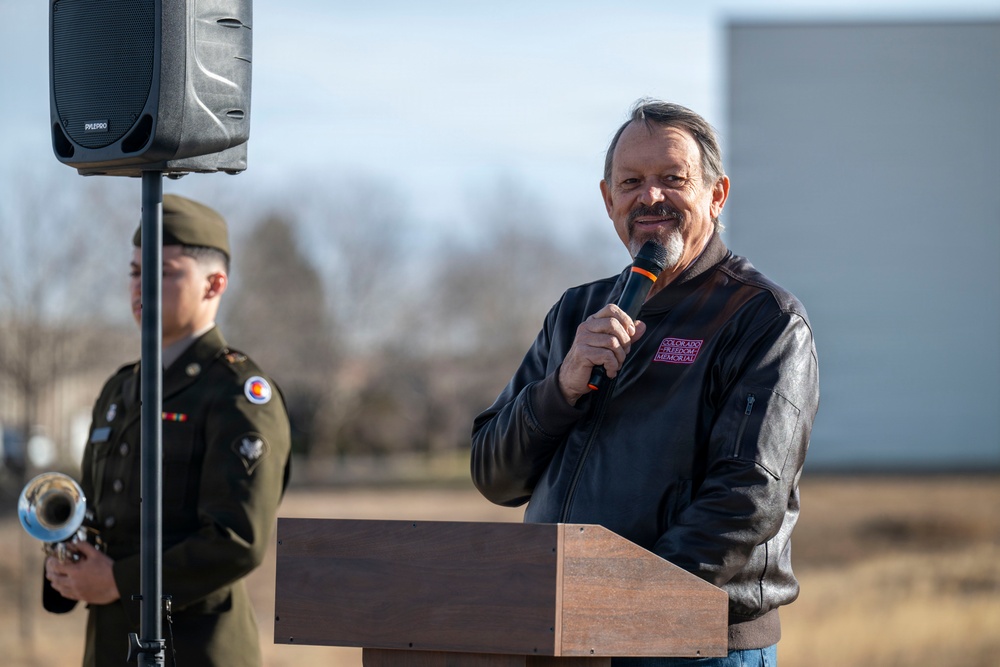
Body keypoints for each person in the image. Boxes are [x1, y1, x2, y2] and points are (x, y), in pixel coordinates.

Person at [471, 100, 819, 666]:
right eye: (631, 181)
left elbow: (748, 496)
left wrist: (622, 608)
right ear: (608, 200)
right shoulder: (575, 313)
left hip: (692, 645)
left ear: (716, 194)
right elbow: (494, 474)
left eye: (671, 179)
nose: (649, 197)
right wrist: (560, 387)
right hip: (561, 636)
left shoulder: (764, 318)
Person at [42, 194, 292, 667]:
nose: (141, 288)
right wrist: (66, 558)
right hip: (111, 646)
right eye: (136, 271)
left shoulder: (237, 393)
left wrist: (120, 581)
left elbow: (236, 539)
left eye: (163, 271)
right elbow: (96, 513)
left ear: (213, 284)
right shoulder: (120, 389)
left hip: (194, 649)